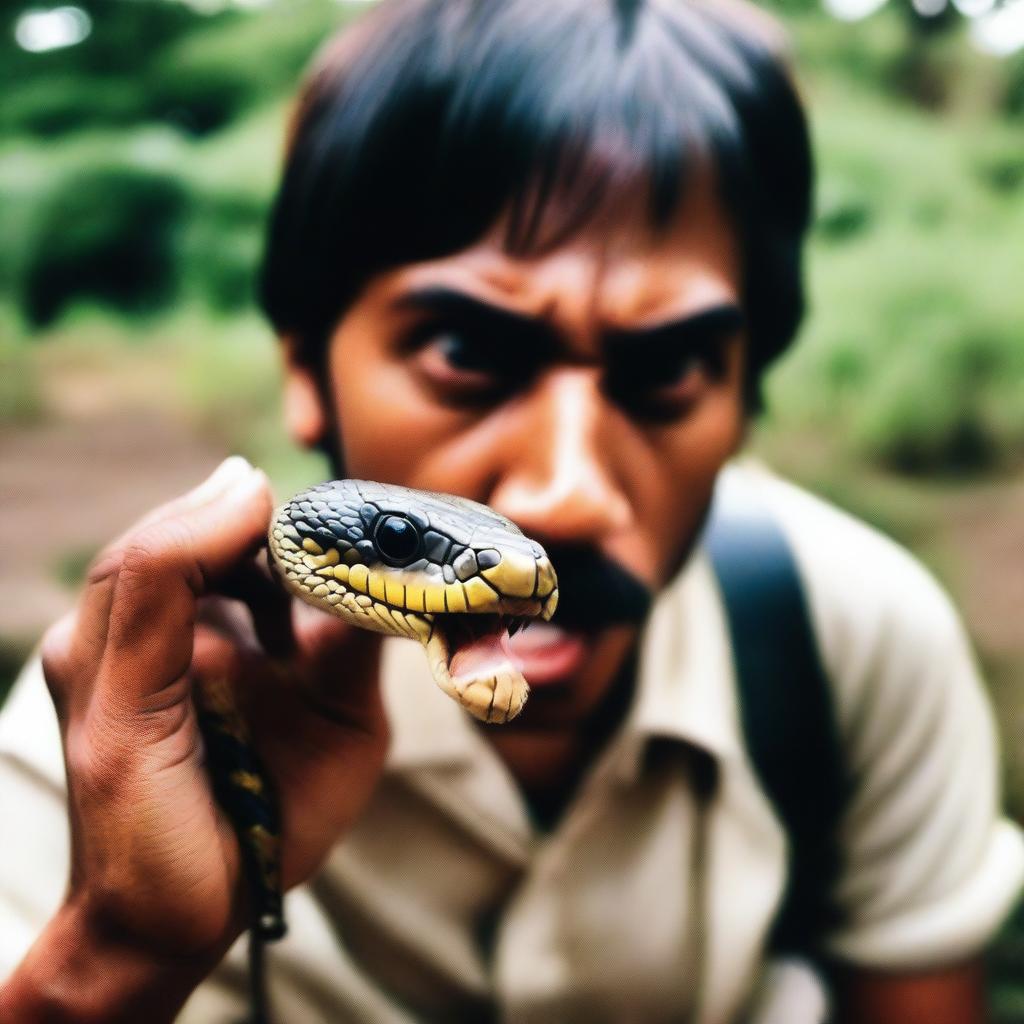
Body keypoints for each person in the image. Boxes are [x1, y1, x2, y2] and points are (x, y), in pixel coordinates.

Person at [1, 0, 1021, 1021]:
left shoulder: (858, 638)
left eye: (667, 367)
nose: (564, 498)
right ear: (305, 364)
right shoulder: (120, 735)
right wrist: (114, 954)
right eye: (464, 353)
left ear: (747, 394)